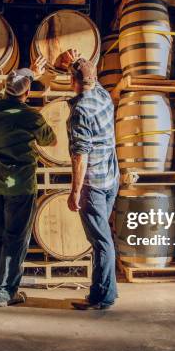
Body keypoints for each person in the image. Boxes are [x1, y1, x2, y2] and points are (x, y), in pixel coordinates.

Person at [0, 56, 57, 307]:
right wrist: (33, 76)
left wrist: (28, 74)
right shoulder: (31, 117)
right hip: (20, 187)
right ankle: (5, 293)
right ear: (27, 92)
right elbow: (50, 141)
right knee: (15, 240)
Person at [65, 52, 120, 311]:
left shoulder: (80, 111)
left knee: (101, 242)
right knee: (101, 240)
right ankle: (100, 293)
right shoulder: (103, 96)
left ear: (72, 80)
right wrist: (76, 62)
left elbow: (80, 155)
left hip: (93, 185)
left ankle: (104, 297)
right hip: (111, 179)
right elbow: (87, 78)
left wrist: (75, 191)